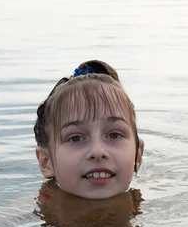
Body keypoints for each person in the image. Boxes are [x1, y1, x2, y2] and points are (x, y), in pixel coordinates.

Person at [33, 60, 144, 200]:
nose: (98, 152)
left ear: (138, 156)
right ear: (46, 161)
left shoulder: (158, 198)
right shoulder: (25, 214)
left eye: (114, 135)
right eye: (75, 138)